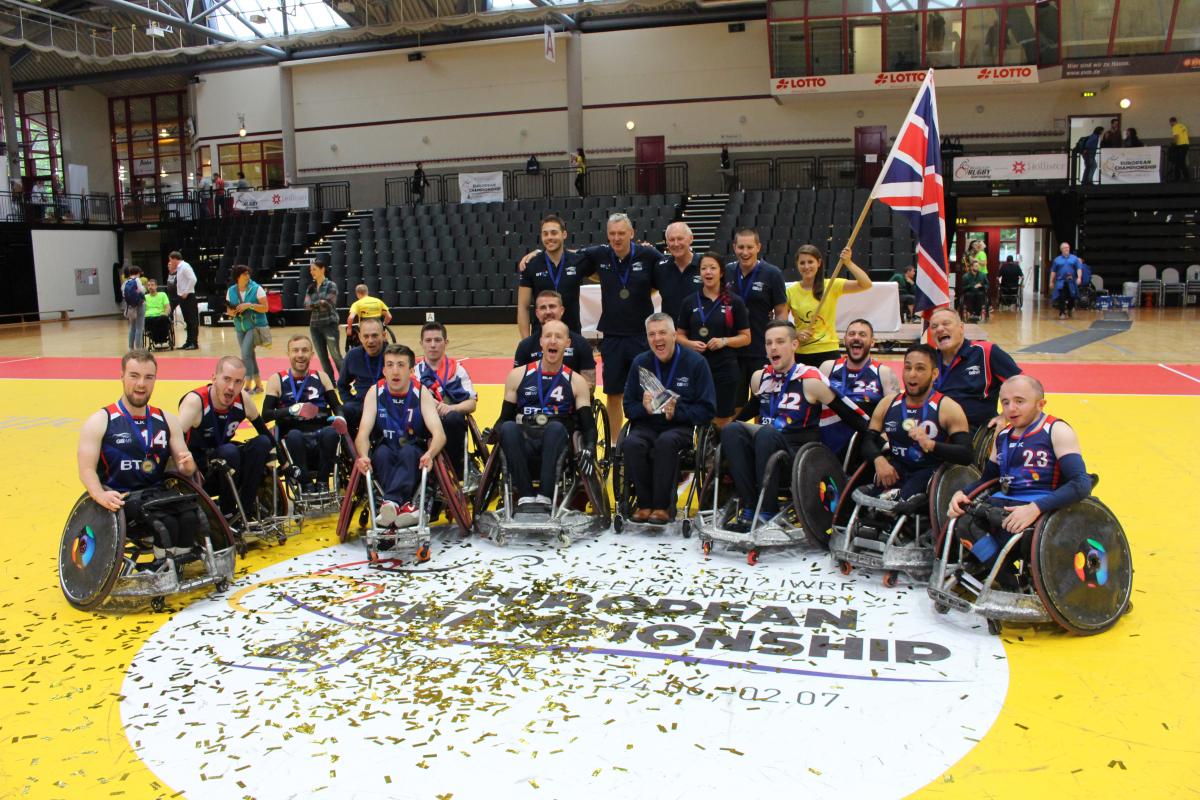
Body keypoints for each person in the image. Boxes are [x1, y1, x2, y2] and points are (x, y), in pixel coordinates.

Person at [719, 321, 868, 532]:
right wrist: (722, 435)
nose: (773, 348)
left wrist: (875, 437)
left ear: (794, 345)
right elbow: (748, 412)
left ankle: (768, 511)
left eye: (780, 342)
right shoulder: (760, 378)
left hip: (797, 457)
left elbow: (848, 413)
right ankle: (750, 506)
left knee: (766, 434)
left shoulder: (810, 380)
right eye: (769, 343)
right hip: (763, 447)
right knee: (731, 430)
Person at [531, 212, 664, 441]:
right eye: (612, 234)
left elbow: (661, 280)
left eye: (621, 233)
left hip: (642, 336)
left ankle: (649, 436)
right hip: (611, 336)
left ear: (631, 234)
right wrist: (536, 254)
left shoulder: (649, 254)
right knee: (613, 392)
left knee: (649, 390)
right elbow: (565, 255)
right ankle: (613, 443)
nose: (617, 238)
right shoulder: (600, 254)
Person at [947, 375, 1092, 584]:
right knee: (963, 522)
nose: (1011, 408)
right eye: (1005, 402)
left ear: (1040, 404)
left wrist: (1035, 508)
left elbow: (1081, 484)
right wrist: (963, 494)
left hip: (1041, 507)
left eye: (1019, 401)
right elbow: (987, 480)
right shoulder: (1003, 436)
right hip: (1003, 505)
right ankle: (1008, 579)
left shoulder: (1056, 430)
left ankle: (1006, 581)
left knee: (1005, 532)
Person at [76, 350, 199, 559]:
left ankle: (177, 563)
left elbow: (185, 464)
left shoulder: (167, 420)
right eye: (134, 376)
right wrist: (100, 494)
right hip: (122, 499)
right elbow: (86, 469)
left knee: (190, 516)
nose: (141, 384)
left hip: (157, 494)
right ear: (122, 376)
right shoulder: (100, 421)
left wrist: (189, 465)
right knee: (166, 522)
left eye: (148, 377)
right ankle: (165, 565)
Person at [621, 313, 716, 523]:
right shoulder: (640, 362)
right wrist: (644, 409)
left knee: (666, 442)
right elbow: (628, 406)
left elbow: (707, 409)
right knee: (631, 443)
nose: (657, 339)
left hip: (680, 427)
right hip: (647, 424)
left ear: (674, 335)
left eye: (662, 333)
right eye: (652, 334)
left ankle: (663, 507)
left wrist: (677, 412)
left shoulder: (696, 363)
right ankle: (644, 504)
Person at [494, 320, 596, 511]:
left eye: (559, 337)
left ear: (568, 343)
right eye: (548, 336)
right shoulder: (517, 375)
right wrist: (495, 430)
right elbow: (504, 418)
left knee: (556, 427)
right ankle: (525, 496)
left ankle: (545, 497)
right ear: (541, 341)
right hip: (525, 439)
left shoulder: (577, 382)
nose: (553, 341)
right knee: (508, 428)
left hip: (557, 443)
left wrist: (589, 448)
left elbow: (588, 425)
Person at [860, 344, 972, 501]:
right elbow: (867, 441)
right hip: (895, 469)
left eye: (920, 369)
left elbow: (966, 454)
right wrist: (879, 461)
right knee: (866, 503)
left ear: (934, 374)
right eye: (908, 368)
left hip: (931, 473)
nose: (912, 374)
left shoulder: (948, 408)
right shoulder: (888, 403)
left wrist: (931, 445)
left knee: (902, 501)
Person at [354, 344, 445, 529]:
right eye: (390, 365)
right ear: (384, 370)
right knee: (381, 455)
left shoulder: (421, 393)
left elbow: (439, 434)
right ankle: (405, 508)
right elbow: (362, 433)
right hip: (386, 447)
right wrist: (363, 455)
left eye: (401, 365)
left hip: (414, 450)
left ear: (411, 370)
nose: (395, 371)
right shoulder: (375, 392)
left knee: (409, 453)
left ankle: (390, 503)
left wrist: (431, 453)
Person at [177, 356, 274, 519]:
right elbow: (174, 441)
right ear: (214, 378)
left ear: (243, 384)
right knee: (230, 451)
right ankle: (227, 511)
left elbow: (265, 433)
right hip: (200, 468)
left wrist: (287, 465)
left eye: (237, 382)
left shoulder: (242, 399)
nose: (231, 387)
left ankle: (245, 508)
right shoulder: (195, 401)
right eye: (226, 379)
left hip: (229, 462)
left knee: (262, 444)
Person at [676, 251, 750, 427]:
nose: (708, 272)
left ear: (721, 272)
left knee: (722, 418)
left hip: (725, 368)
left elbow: (746, 338)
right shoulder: (689, 302)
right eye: (704, 268)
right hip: (696, 367)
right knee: (698, 415)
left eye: (712, 268)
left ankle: (721, 453)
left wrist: (724, 341)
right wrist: (690, 344)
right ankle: (700, 453)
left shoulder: (734, 302)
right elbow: (678, 335)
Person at [262, 335, 343, 493]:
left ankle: (323, 482)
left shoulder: (322, 377)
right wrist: (292, 410)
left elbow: (336, 405)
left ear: (312, 354)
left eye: (305, 350)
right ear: (289, 354)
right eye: (295, 350)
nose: (300, 354)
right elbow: (265, 415)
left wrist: (340, 417)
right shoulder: (277, 379)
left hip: (320, 433)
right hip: (293, 436)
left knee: (331, 433)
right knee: (294, 436)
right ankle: (305, 484)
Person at [927, 307, 1021, 433]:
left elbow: (1025, 386)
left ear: (961, 328)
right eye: (934, 326)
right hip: (937, 430)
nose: (939, 329)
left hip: (977, 431)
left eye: (946, 323)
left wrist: (1005, 416)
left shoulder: (985, 351)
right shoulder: (929, 360)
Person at [725, 229, 788, 412]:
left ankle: (761, 438)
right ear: (734, 247)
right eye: (741, 247)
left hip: (761, 349)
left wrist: (778, 341)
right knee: (735, 403)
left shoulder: (772, 274)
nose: (745, 252)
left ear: (758, 247)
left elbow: (781, 311)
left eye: (750, 247)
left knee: (764, 402)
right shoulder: (727, 272)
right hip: (733, 349)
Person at [818, 318, 900, 458]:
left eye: (862, 334)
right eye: (852, 334)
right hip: (829, 439)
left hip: (863, 442)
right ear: (844, 340)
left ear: (872, 342)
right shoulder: (828, 367)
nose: (856, 337)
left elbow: (895, 416)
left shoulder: (884, 373)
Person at [786, 244, 873, 367]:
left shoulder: (831, 285)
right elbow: (783, 324)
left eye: (810, 262)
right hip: (801, 352)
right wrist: (796, 334)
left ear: (819, 263)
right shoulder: (790, 291)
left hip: (828, 351)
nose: (806, 266)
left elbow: (866, 284)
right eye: (802, 263)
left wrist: (848, 263)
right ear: (797, 265)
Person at [413, 322, 478, 478]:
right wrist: (431, 404)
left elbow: (472, 403)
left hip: (450, 421)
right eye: (428, 341)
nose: (433, 345)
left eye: (438, 340)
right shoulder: (414, 371)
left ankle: (455, 470)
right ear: (421, 344)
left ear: (446, 343)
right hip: (424, 422)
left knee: (453, 419)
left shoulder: (458, 370)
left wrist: (452, 408)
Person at [517, 215, 584, 336]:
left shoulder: (577, 261)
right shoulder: (530, 264)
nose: (549, 237)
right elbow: (523, 306)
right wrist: (526, 342)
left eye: (554, 233)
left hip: (572, 335)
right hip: (541, 337)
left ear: (564, 235)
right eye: (545, 234)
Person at [514, 290, 596, 387]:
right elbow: (517, 384)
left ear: (561, 310)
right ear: (537, 313)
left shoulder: (581, 344)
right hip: (536, 400)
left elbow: (590, 386)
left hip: (572, 400)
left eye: (552, 306)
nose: (548, 311)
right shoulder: (525, 346)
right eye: (543, 308)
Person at [338, 317, 388, 432]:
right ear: (360, 337)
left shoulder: (393, 354)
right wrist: (350, 401)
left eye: (375, 335)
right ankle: (350, 448)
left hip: (389, 403)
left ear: (384, 335)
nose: (370, 341)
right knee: (345, 411)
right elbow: (342, 385)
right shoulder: (352, 356)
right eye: (366, 336)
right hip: (362, 405)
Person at [225, 265, 269, 394]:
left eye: (248, 274)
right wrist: (233, 312)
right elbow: (228, 310)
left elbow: (265, 308)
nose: (248, 276)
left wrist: (249, 305)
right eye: (245, 274)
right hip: (240, 326)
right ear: (238, 277)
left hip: (255, 326)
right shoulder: (231, 291)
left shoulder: (257, 288)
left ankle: (248, 385)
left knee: (245, 355)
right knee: (250, 355)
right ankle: (259, 385)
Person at [654, 222, 703, 331]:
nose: (676, 244)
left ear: (691, 239)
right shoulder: (660, 267)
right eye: (671, 240)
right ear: (667, 242)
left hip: (699, 334)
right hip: (670, 335)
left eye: (680, 239)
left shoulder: (704, 265)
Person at [305, 254, 343, 380]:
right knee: (322, 357)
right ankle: (330, 382)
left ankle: (344, 380)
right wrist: (318, 303)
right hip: (314, 326)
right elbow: (306, 305)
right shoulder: (310, 287)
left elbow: (328, 304)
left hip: (329, 325)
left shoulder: (331, 285)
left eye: (314, 269)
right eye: (310, 270)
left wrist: (315, 304)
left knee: (335, 355)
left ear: (322, 269)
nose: (312, 272)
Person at [167, 251, 199, 350]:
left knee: (192, 320)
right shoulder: (180, 268)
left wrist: (186, 292)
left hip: (188, 296)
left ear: (174, 259)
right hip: (182, 297)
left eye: (170, 260)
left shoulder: (185, 266)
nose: (170, 262)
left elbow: (193, 279)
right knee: (187, 321)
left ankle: (194, 343)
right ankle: (188, 342)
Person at [1050, 242, 1083, 320]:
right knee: (1061, 297)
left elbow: (1079, 268)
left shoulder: (1074, 259)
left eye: (1068, 247)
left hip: (1071, 281)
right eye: (1065, 248)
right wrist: (1051, 281)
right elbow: (1053, 271)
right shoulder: (1057, 260)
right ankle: (1062, 312)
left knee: (1072, 296)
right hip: (1061, 281)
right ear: (1061, 249)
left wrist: (1079, 278)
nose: (1067, 249)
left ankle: (1070, 309)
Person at [122, 266, 146, 352]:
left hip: (131, 307)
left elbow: (124, 294)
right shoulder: (137, 280)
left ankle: (131, 348)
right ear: (138, 273)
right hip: (139, 305)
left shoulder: (126, 282)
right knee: (139, 327)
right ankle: (138, 348)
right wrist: (143, 289)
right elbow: (142, 291)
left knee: (132, 327)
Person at [143, 278, 172, 344]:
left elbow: (167, 306)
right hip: (149, 317)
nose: (150, 287)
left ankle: (160, 338)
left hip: (160, 316)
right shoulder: (145, 297)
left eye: (152, 285)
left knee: (163, 318)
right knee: (148, 320)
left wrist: (166, 313)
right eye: (149, 285)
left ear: (156, 286)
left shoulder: (162, 294)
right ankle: (156, 338)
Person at [1168, 117, 1190, 182]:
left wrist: (1173, 144)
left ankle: (1185, 177)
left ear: (1172, 122)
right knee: (1179, 162)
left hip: (1180, 146)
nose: (1170, 124)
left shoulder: (1175, 127)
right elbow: (1186, 136)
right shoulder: (1183, 126)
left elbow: (1176, 136)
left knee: (1179, 162)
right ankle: (1179, 177)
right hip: (1186, 145)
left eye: (1170, 123)